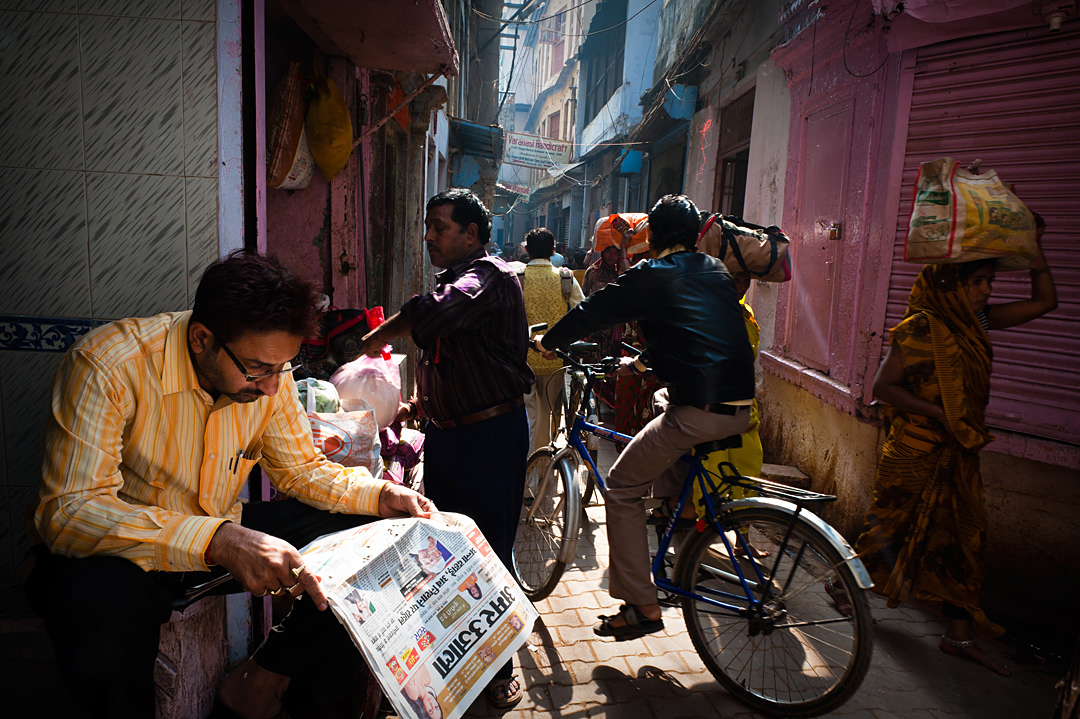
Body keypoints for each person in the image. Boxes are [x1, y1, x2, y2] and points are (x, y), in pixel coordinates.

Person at [24, 250, 435, 719]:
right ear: (202, 339)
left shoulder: (269, 378)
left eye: (283, 368)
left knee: (380, 542)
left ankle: (260, 683)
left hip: (217, 531)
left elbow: (300, 471)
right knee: (101, 612)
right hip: (125, 558)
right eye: (258, 369)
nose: (272, 389)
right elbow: (69, 511)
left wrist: (380, 495)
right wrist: (217, 539)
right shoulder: (108, 365)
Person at [536, 195, 755, 639]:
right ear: (695, 236)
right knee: (660, 412)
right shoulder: (714, 270)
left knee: (619, 488)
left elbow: (592, 311)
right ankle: (675, 515)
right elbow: (687, 331)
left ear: (651, 234)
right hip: (738, 406)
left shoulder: (651, 274)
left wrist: (547, 342)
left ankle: (640, 605)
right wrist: (636, 366)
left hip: (698, 409)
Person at [852, 216, 1056, 677]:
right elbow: (885, 388)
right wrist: (941, 414)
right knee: (887, 529)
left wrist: (1035, 245)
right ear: (950, 286)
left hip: (959, 454)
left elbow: (1046, 301)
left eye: (989, 281)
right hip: (915, 452)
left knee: (964, 542)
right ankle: (842, 584)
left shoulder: (977, 322)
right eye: (978, 282)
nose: (986, 291)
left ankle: (958, 636)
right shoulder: (918, 328)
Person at [360, 188, 532, 709]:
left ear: (472, 235)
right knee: (445, 554)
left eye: (440, 227)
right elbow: (447, 350)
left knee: (489, 552)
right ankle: (452, 659)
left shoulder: (490, 278)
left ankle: (498, 668)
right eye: (428, 226)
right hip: (449, 436)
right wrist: (419, 403)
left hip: (490, 437)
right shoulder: (455, 281)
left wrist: (378, 337)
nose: (429, 236)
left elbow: (438, 314)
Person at [519, 227, 585, 453]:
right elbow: (581, 311)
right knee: (547, 412)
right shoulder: (565, 278)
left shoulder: (518, 278)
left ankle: (526, 469)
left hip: (522, 359)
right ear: (554, 250)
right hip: (554, 359)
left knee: (527, 414)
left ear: (527, 249)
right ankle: (542, 465)